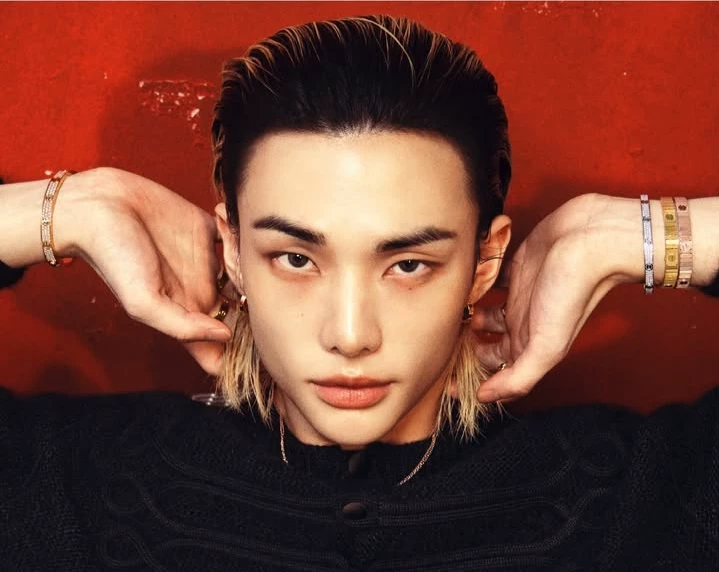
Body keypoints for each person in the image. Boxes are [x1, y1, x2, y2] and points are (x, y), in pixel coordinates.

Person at [1, 14, 718, 571]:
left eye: (408, 264)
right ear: (234, 251)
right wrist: (67, 210)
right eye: (294, 258)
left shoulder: (638, 499)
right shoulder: (75, 483)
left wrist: (636, 235)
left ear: (483, 261)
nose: (349, 335)